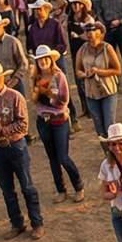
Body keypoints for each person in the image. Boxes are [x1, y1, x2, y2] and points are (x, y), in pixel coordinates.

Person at [0, 62, 44, 242]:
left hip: (15, 145)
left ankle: (36, 223)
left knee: (27, 186)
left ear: (3, 78)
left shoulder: (15, 97)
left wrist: (1, 131)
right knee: (6, 189)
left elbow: (23, 125)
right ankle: (17, 223)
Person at [29, 46, 85, 203]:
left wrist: (47, 92)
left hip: (59, 119)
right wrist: (36, 92)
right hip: (43, 120)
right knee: (52, 158)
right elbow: (34, 101)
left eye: (45, 58)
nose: (43, 62)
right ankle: (61, 190)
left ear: (51, 59)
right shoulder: (35, 77)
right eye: (40, 60)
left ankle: (79, 186)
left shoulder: (59, 76)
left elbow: (64, 100)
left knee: (63, 157)